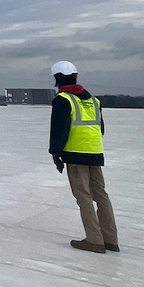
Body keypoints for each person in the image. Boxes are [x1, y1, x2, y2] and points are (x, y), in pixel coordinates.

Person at [48, 60, 119, 254]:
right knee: (101, 195)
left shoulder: (63, 100)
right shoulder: (94, 100)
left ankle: (95, 240)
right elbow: (100, 127)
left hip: (76, 154)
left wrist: (56, 154)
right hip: (95, 152)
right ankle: (110, 239)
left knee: (84, 197)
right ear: (76, 77)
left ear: (57, 80)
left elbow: (59, 131)